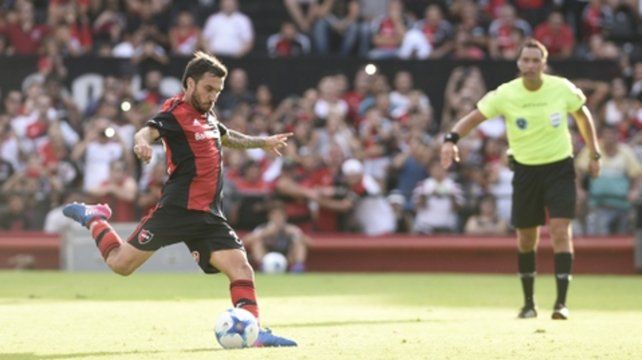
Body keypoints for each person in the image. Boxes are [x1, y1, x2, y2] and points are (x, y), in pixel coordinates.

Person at [62, 52, 296, 347]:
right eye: (208, 89)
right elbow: (145, 132)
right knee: (121, 264)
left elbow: (226, 136)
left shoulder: (207, 116)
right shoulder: (174, 113)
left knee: (241, 268)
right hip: (177, 210)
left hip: (209, 217)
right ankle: (94, 218)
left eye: (218, 91)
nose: (213, 97)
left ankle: (255, 331)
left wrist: (261, 142)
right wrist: (142, 145)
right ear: (189, 83)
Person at [440, 39, 602, 320]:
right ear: (518, 63)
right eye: (525, 60)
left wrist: (594, 152)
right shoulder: (506, 93)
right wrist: (450, 139)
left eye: (535, 61)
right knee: (527, 238)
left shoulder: (561, 88)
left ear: (543, 63)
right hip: (526, 171)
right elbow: (474, 117)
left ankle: (561, 303)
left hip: (559, 167)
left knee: (561, 230)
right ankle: (529, 303)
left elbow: (582, 114)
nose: (529, 65)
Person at [244, 203, 310, 273]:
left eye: (280, 215)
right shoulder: (263, 228)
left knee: (299, 242)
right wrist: (265, 233)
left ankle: (297, 267)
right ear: (269, 216)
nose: (277, 218)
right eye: (274, 215)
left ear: (285, 217)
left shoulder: (291, 228)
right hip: (268, 258)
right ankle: (262, 266)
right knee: (257, 241)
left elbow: (310, 242)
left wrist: (297, 234)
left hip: (287, 258)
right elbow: (245, 241)